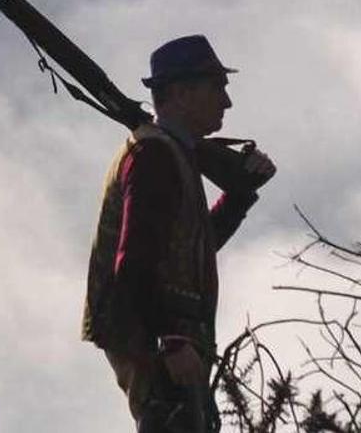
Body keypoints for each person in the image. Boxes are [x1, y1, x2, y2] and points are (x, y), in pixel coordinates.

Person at [81, 35, 277, 432]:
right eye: (216, 87)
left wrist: (240, 195)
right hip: (158, 337)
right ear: (182, 93)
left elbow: (190, 248)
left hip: (169, 334)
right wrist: (169, 338)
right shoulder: (155, 156)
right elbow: (133, 262)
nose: (226, 101)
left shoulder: (171, 153)